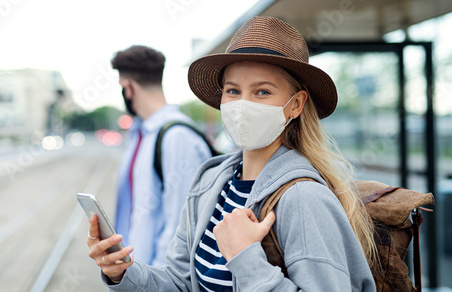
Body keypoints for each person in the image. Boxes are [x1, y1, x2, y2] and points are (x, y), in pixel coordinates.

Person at [87, 17, 378, 291]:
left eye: (262, 92)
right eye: (233, 91)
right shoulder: (211, 181)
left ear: (296, 104)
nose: (242, 105)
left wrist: (245, 258)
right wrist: (123, 272)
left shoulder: (304, 198)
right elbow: (179, 281)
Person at [108, 45, 213, 267]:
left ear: (128, 88)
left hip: (156, 280)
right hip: (135, 274)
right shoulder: (142, 133)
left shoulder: (177, 137)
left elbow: (180, 228)